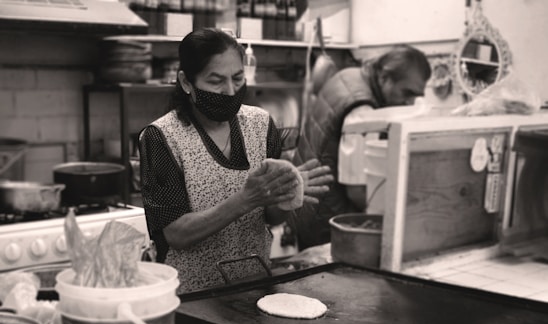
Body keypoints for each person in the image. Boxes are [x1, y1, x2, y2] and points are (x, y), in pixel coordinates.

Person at [138, 28, 332, 294]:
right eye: (216, 81)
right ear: (186, 83)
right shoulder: (162, 137)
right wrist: (246, 199)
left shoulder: (261, 125)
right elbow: (175, 234)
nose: (230, 91)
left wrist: (286, 196)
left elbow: (270, 217)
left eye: (238, 78)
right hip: (192, 298)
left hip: (254, 286)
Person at [288, 44, 432, 251]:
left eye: (415, 96)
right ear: (384, 78)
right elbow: (357, 190)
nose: (409, 103)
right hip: (326, 220)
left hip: (308, 205)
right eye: (406, 93)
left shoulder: (351, 75)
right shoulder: (362, 111)